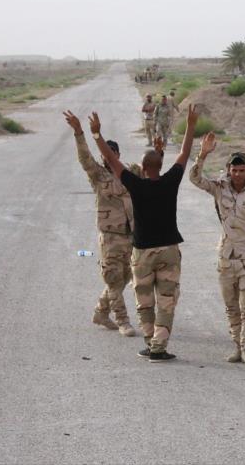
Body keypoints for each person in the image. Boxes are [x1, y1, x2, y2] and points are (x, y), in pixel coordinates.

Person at [93, 104, 199, 363]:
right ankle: (159, 347)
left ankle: (150, 342)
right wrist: (191, 125)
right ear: (161, 165)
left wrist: (97, 135)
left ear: (142, 166)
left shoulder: (135, 184)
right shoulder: (170, 181)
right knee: (166, 299)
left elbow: (112, 161)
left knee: (144, 300)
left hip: (141, 252)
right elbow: (185, 153)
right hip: (169, 249)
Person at [64, 110, 154, 338]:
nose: (108, 157)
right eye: (106, 154)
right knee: (113, 278)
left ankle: (100, 312)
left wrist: (159, 151)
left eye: (113, 153)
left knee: (124, 277)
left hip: (132, 235)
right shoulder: (98, 176)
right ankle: (122, 320)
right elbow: (85, 158)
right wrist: (79, 132)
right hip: (111, 236)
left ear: (118, 154)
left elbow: (150, 173)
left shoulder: (131, 172)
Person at [189, 133, 245, 366]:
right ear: (229, 170)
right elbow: (194, 179)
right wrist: (203, 154)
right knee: (230, 305)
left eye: (242, 170)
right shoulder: (219, 188)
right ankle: (236, 345)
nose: (237, 174)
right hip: (226, 255)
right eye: (234, 170)